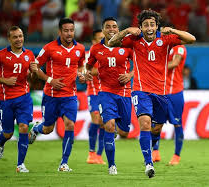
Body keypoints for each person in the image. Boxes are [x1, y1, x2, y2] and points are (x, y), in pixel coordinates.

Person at [108, 9, 196, 178]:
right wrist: (126, 30)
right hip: (140, 91)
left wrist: (172, 30)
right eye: (145, 24)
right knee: (145, 124)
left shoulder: (166, 39)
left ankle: (153, 144)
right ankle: (148, 163)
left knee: (156, 128)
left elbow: (191, 39)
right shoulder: (133, 40)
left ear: (157, 26)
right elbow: (112, 43)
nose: (149, 27)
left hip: (161, 93)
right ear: (140, 27)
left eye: (152, 24)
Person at [28, 18, 86, 172]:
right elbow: (35, 66)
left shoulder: (80, 48)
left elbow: (81, 66)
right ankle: (36, 128)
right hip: (51, 95)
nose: (69, 33)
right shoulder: (49, 48)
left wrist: (81, 74)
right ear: (59, 31)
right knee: (48, 129)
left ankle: (64, 163)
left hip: (70, 95)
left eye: (71, 30)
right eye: (66, 30)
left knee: (70, 125)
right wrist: (50, 80)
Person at [86, 17, 133, 175]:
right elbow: (89, 65)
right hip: (105, 92)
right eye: (108, 27)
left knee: (124, 132)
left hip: (125, 93)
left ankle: (111, 138)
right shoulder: (96, 49)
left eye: (114, 26)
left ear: (118, 30)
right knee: (108, 125)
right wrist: (86, 74)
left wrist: (130, 75)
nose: (111, 29)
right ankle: (111, 165)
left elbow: (141, 65)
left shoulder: (127, 46)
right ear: (103, 30)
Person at [0, 26, 36, 172]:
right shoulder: (0, 55)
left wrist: (33, 72)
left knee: (24, 127)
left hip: (24, 97)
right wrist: (4, 80)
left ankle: (20, 164)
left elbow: (32, 77)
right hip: (6, 99)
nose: (19, 39)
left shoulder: (29, 54)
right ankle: (0, 142)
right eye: (15, 37)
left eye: (20, 36)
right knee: (8, 133)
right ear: (9, 39)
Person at [151, 45, 187, 165]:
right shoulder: (160, 48)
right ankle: (155, 152)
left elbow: (175, 62)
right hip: (160, 91)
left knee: (177, 124)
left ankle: (176, 156)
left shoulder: (179, 48)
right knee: (156, 124)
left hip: (175, 93)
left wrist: (156, 67)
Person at [86, 29, 106, 165]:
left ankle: (99, 155)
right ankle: (91, 153)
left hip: (106, 93)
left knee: (105, 124)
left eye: (103, 38)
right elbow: (88, 70)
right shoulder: (90, 54)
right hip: (93, 93)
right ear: (93, 41)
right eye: (99, 38)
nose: (102, 40)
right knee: (96, 119)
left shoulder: (109, 52)